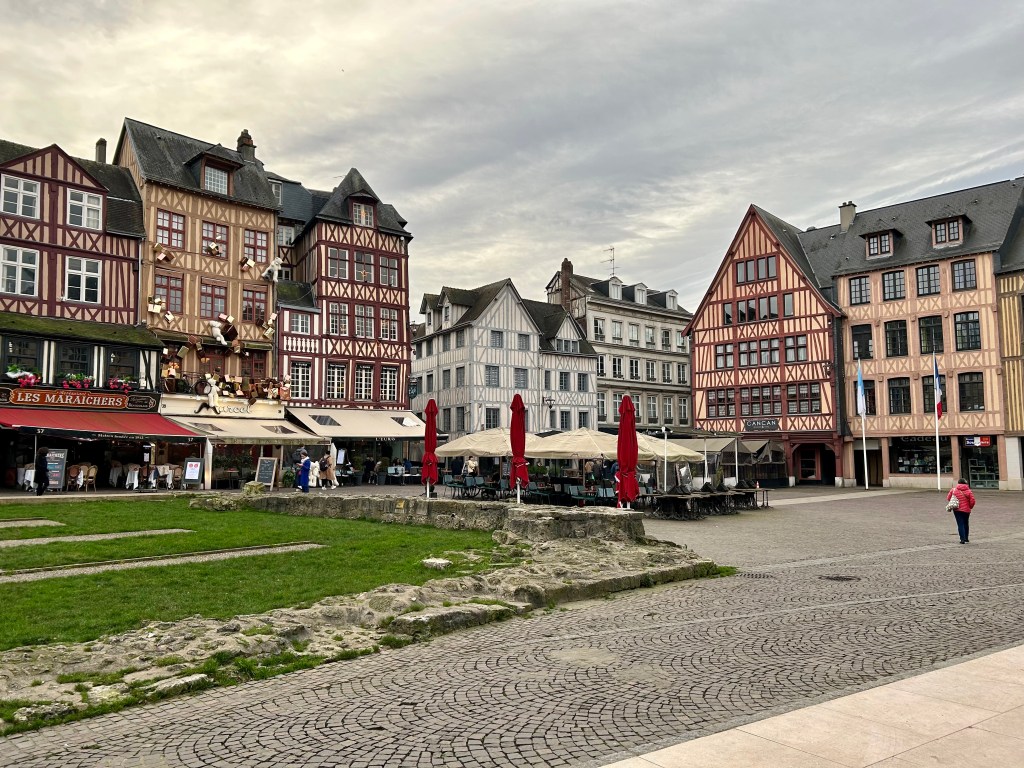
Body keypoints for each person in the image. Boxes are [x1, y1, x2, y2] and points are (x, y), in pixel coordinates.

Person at [946, 478, 977, 544]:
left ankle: (962, 539)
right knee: (966, 523)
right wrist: (970, 507)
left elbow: (948, 498)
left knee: (960, 524)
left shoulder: (954, 490)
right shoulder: (969, 491)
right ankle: (966, 538)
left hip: (957, 509)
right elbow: (973, 501)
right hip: (966, 510)